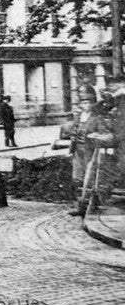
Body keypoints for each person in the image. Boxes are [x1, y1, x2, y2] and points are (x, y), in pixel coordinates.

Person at [63, 86, 116, 216]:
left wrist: (95, 135)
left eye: (88, 103)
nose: (86, 105)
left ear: (92, 104)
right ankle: (79, 205)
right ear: (80, 104)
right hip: (78, 151)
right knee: (77, 178)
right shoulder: (79, 117)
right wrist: (72, 135)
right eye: (83, 103)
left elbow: (104, 132)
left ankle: (90, 204)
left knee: (89, 178)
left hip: (90, 151)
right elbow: (72, 130)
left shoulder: (96, 117)